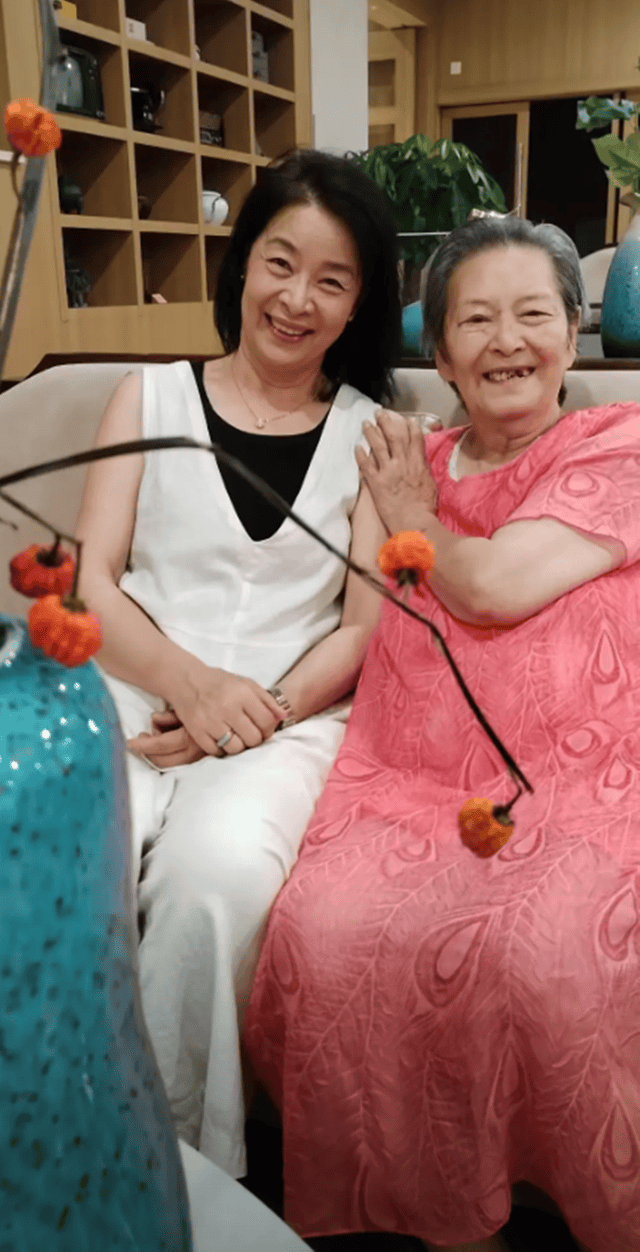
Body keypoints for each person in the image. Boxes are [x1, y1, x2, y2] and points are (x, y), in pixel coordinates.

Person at [243, 216, 640, 1252]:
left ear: (571, 332)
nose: (507, 341)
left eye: (533, 314)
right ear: (442, 352)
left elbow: (496, 586)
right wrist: (257, 706)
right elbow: (361, 619)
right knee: (325, 930)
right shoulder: (398, 456)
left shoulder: (618, 441)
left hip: (588, 773)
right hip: (411, 769)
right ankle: (436, 1221)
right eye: (476, 320)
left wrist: (417, 513)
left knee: (556, 951)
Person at [75, 149, 403, 1178]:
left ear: (358, 304)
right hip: (132, 690)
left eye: (332, 280)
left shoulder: (375, 435)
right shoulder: (147, 397)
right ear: (243, 264)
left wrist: (253, 711)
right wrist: (191, 686)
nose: (297, 299)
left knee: (213, 883)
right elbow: (88, 583)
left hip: (285, 723)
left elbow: (363, 626)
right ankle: (46, 1120)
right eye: (280, 263)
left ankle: (175, 1169)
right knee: (67, 845)